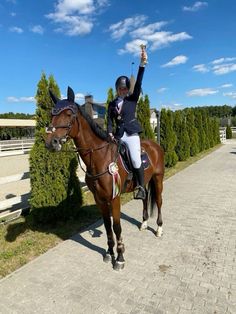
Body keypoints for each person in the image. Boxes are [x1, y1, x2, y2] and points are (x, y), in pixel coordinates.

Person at [107, 46, 148, 200]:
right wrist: (110, 132)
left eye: (125, 89)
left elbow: (138, 84)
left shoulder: (132, 99)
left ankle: (141, 187)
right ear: (117, 89)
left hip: (131, 135)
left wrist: (142, 65)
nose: (123, 91)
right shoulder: (111, 104)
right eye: (120, 89)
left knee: (136, 159)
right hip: (117, 136)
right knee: (110, 161)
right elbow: (109, 121)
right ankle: (115, 186)